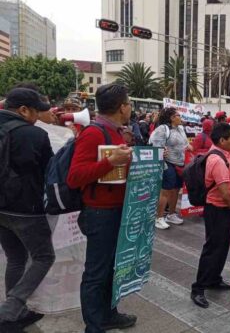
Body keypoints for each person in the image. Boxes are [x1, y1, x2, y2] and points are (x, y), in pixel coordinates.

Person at [67, 84, 137, 333]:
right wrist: (110, 161)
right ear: (122, 107)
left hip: (117, 210)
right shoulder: (94, 133)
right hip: (100, 213)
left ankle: (109, 314)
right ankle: (94, 326)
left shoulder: (115, 131)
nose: (130, 107)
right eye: (129, 103)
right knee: (96, 272)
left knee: (111, 268)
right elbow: (74, 177)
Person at [0, 88, 55, 329]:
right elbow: (50, 171)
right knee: (44, 257)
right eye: (35, 112)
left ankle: (17, 312)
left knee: (16, 257)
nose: (36, 117)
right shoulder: (35, 135)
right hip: (26, 209)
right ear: (23, 110)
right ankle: (10, 308)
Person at [191, 123, 230, 309]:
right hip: (217, 209)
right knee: (212, 248)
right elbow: (224, 191)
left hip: (223, 209)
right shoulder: (217, 160)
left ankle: (214, 278)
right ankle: (198, 288)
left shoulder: (225, 153)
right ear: (222, 140)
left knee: (221, 247)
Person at [150, 108, 192, 230]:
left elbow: (185, 144)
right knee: (166, 190)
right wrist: (161, 151)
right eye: (179, 115)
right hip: (167, 163)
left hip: (180, 163)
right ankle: (158, 218)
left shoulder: (180, 129)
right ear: (172, 118)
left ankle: (171, 214)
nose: (181, 117)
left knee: (175, 189)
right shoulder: (163, 129)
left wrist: (190, 147)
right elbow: (155, 145)